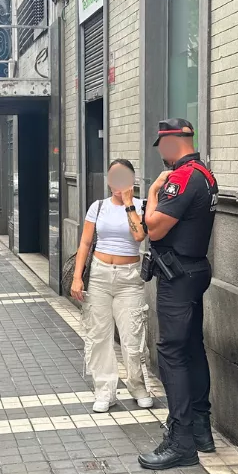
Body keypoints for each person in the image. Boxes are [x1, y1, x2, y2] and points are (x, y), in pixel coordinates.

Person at [138, 118, 218, 470]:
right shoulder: (206, 172)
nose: (161, 154)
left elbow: (152, 230)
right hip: (194, 269)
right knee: (191, 348)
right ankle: (201, 430)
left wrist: (153, 193)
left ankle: (181, 439)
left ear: (171, 142)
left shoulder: (182, 177)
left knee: (171, 353)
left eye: (161, 146)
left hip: (179, 274)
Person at [71, 159, 156, 413]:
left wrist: (130, 202)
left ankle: (138, 386)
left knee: (133, 336)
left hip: (130, 278)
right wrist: (77, 276)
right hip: (99, 275)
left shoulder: (141, 206)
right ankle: (105, 390)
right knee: (99, 336)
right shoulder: (98, 207)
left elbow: (140, 236)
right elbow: (85, 243)